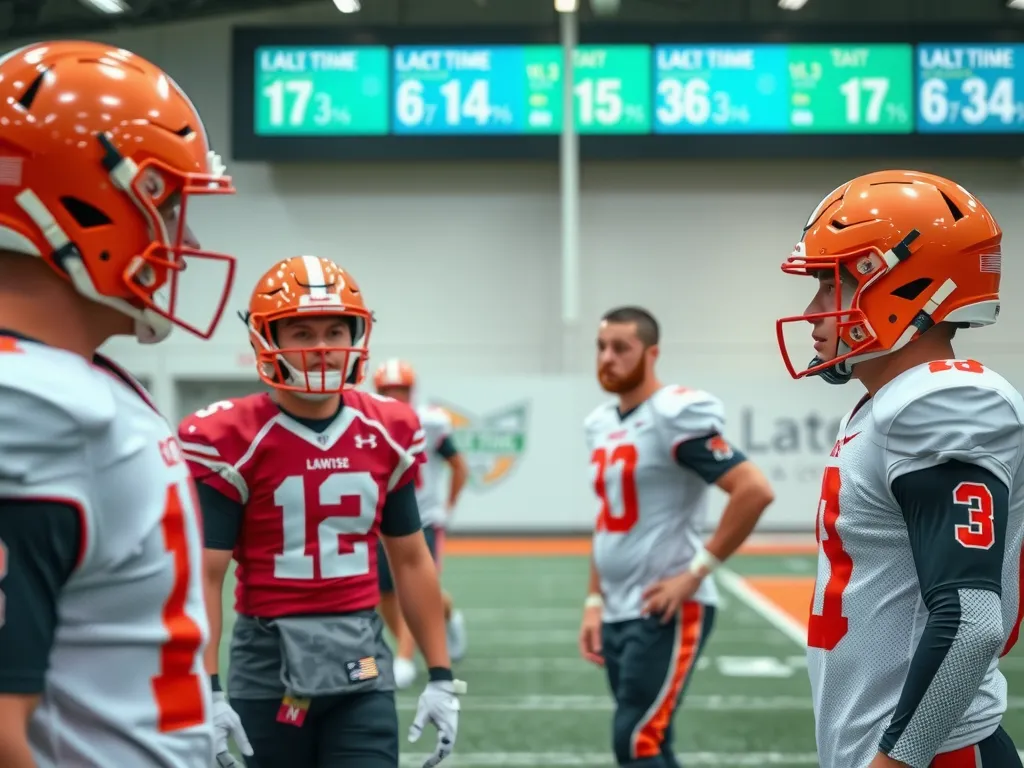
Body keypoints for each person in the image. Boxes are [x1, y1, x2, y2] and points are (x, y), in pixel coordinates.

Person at [0, 41, 237, 768]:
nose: (184, 238)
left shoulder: (69, 385)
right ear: (80, 202)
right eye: (164, 202)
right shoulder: (35, 407)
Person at [776, 169, 1024, 768]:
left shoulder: (945, 403)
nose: (813, 312)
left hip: (940, 756)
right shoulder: (889, 401)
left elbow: (971, 622)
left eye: (830, 286)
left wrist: (896, 760)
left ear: (904, 286)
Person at [179, 255, 462, 768]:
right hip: (268, 666)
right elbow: (206, 574)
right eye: (302, 333)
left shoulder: (389, 428)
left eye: (334, 330)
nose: (323, 347)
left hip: (360, 658)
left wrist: (441, 675)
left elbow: (411, 559)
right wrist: (209, 686)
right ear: (267, 340)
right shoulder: (230, 436)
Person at [579, 306, 775, 768]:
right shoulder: (600, 423)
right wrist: (594, 600)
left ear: (652, 354)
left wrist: (694, 574)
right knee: (653, 738)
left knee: (635, 739)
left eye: (621, 348)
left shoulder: (673, 414)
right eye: (602, 347)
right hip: (618, 606)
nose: (607, 358)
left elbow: (753, 490)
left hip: (665, 604)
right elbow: (607, 518)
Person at [373, 359, 470, 689]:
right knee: (383, 591)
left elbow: (459, 466)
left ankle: (403, 657)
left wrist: (448, 506)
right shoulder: (364, 421)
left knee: (415, 587)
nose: (394, 396)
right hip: (381, 519)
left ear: (412, 391)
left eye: (400, 389)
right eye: (388, 390)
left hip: (422, 518)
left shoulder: (430, 423)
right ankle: (445, 619)